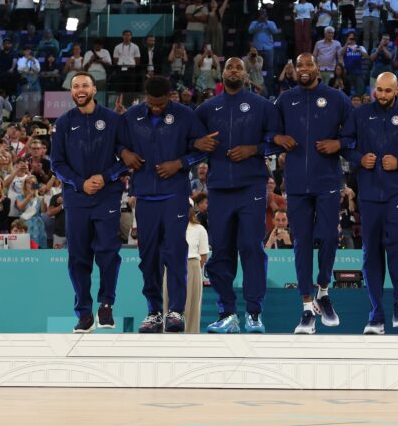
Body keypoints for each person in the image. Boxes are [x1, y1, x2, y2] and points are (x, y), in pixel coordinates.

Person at [120, 76, 217, 333]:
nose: (156, 108)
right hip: (144, 196)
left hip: (174, 195)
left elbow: (203, 148)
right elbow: (117, 143)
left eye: (161, 103)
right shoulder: (132, 116)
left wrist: (179, 164)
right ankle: (153, 312)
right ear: (145, 97)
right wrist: (124, 153)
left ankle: (175, 311)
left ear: (171, 96)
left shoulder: (185, 115)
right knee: (148, 257)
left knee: (175, 253)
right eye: (151, 103)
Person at [342, 71, 398, 334]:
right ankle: (376, 314)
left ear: (397, 91)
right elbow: (345, 144)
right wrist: (359, 158)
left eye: (387, 91)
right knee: (371, 253)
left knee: (396, 242)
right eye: (379, 90)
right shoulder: (359, 114)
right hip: (369, 194)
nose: (382, 95)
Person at [197, 57, 281, 334]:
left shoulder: (263, 106)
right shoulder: (207, 108)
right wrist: (200, 145)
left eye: (238, 68)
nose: (234, 71)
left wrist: (253, 150)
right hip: (220, 189)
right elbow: (193, 141)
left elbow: (277, 140)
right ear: (222, 74)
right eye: (229, 67)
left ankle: (254, 313)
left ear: (246, 74)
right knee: (221, 251)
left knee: (251, 248)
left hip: (252, 187)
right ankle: (228, 313)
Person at [273, 52, 355, 334]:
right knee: (302, 244)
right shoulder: (285, 100)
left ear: (318, 68)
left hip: (328, 179)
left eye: (309, 64)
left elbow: (354, 135)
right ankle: (307, 308)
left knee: (331, 236)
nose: (304, 68)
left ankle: (323, 288)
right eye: (299, 65)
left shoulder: (337, 98)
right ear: (294, 69)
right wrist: (277, 139)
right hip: (296, 182)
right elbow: (270, 133)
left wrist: (338, 144)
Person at [50, 71, 129, 333]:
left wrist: (105, 177)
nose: (80, 90)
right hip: (76, 198)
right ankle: (84, 313)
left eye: (85, 85)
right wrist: (79, 182)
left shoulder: (113, 120)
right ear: (71, 92)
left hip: (107, 195)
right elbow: (56, 164)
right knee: (78, 258)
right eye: (75, 86)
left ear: (94, 89)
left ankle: (106, 304)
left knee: (108, 253)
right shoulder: (63, 123)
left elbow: (126, 159)